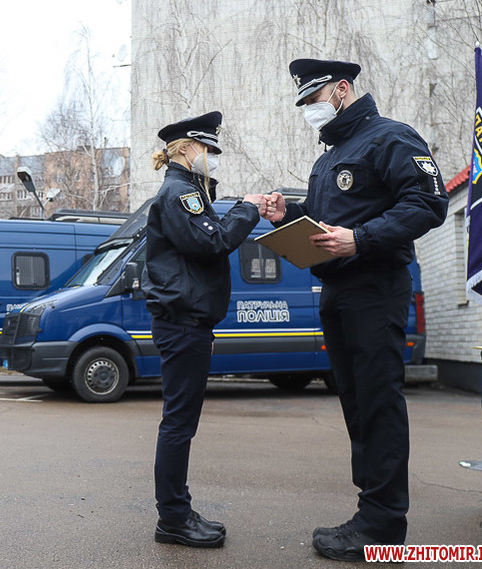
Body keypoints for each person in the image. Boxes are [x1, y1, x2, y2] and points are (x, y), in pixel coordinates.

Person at [263, 59, 449, 561]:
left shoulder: (390, 137)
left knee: (377, 401)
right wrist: (290, 216)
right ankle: (370, 511)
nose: (309, 109)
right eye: (303, 103)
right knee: (356, 401)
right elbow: (328, 221)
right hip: (339, 291)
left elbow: (429, 203)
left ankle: (383, 525)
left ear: (342, 89)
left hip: (375, 286)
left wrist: (361, 239)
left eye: (314, 98)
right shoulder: (328, 159)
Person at [142, 111, 272, 548]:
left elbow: (205, 242)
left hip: (187, 323)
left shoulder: (189, 192)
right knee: (178, 424)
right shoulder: (181, 193)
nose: (212, 156)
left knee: (180, 422)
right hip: (182, 324)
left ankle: (176, 512)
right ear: (186, 149)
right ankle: (173, 518)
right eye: (207, 149)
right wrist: (248, 208)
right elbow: (212, 241)